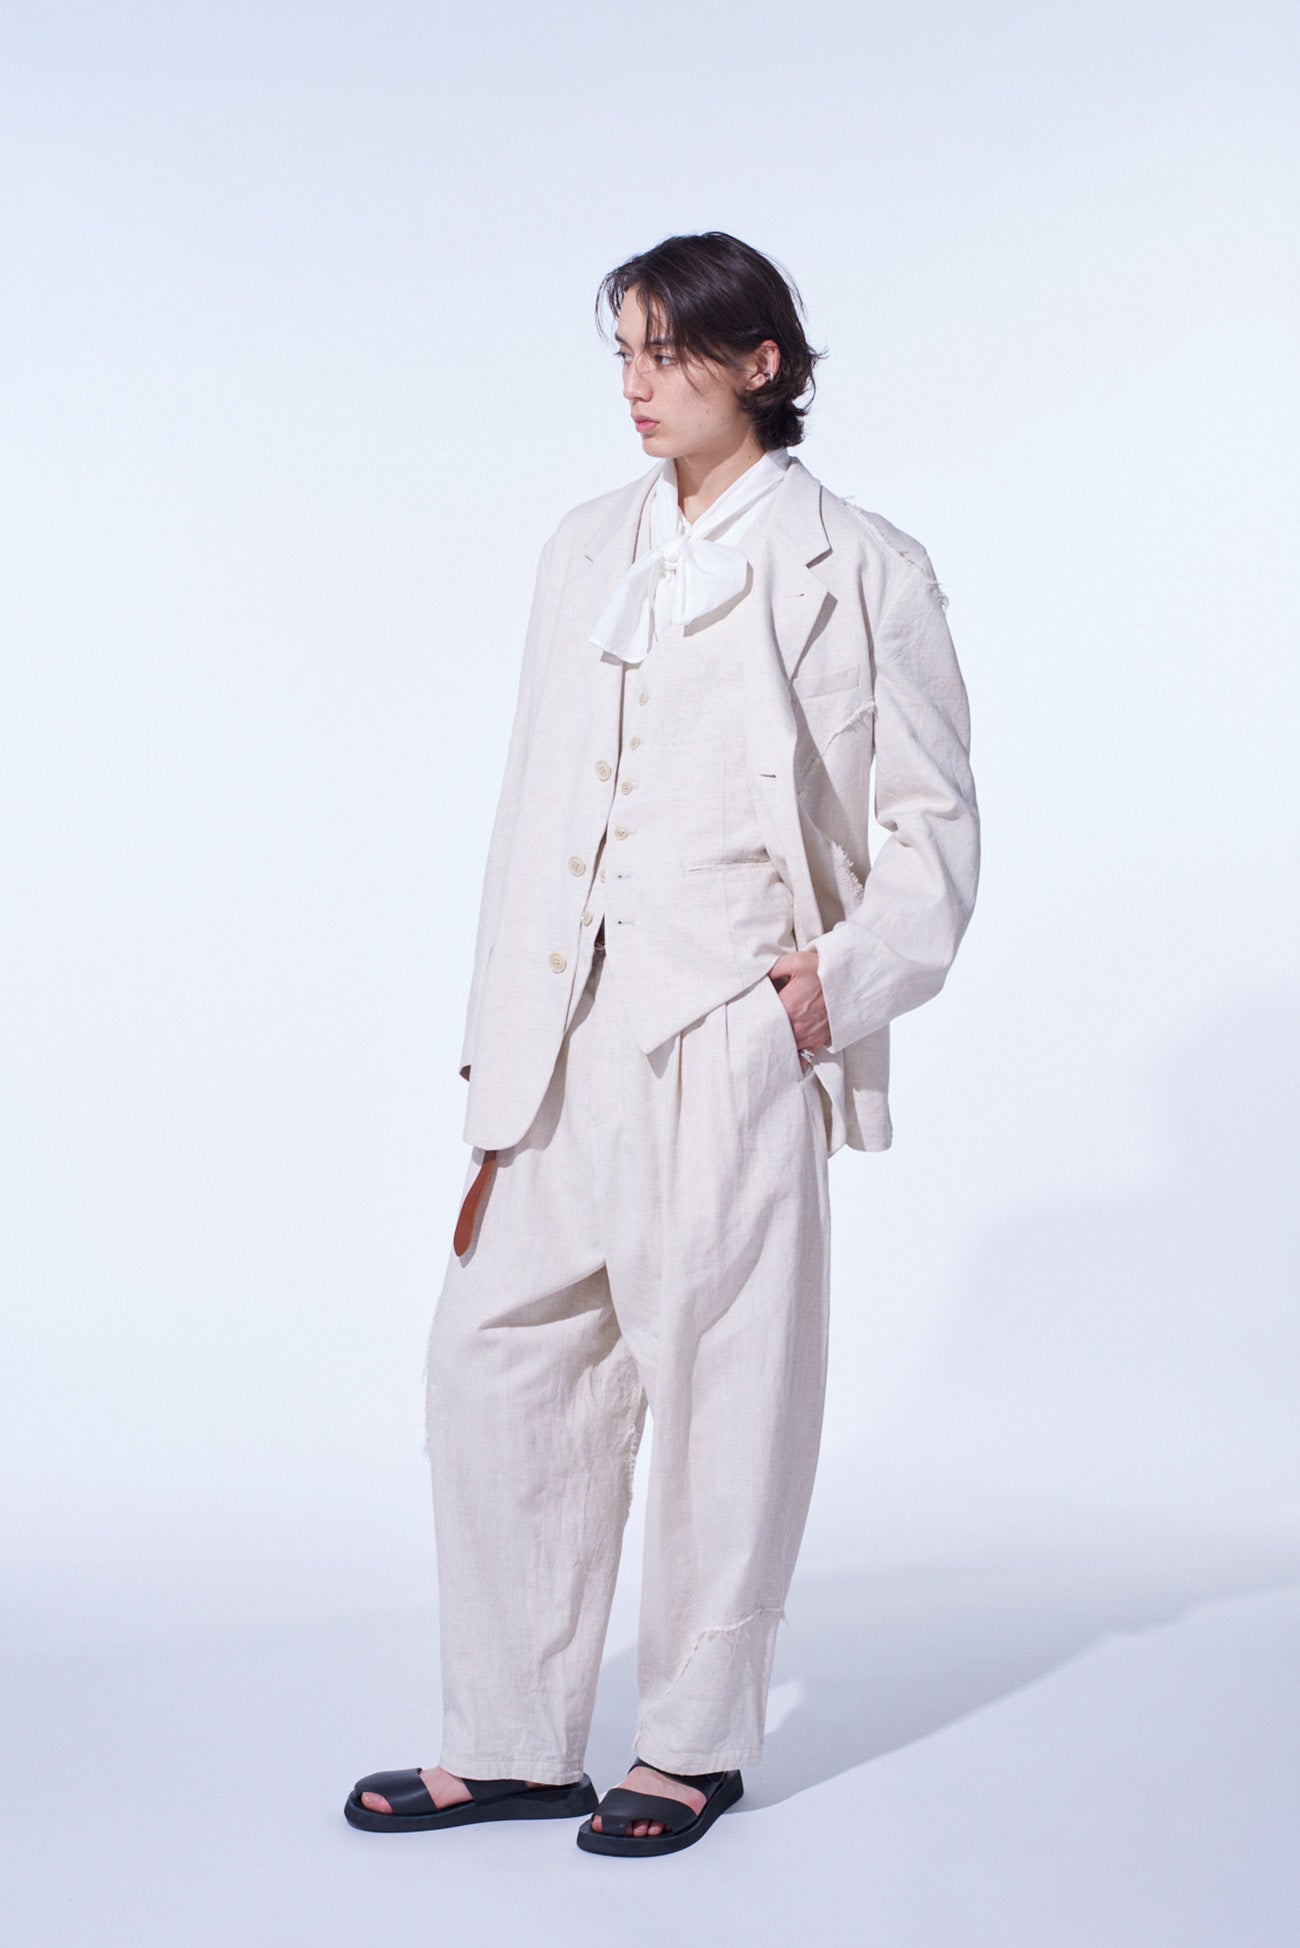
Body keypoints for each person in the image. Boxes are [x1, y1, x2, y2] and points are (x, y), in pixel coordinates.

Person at [344, 230, 980, 1858]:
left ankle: (693, 1746)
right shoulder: (583, 549)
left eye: (666, 353)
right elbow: (531, 810)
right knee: (492, 1362)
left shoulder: (868, 568)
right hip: (559, 1040)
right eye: (621, 353)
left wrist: (817, 1000)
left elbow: (933, 836)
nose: (634, 385)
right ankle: (510, 1740)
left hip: (726, 1032)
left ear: (760, 363)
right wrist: (495, 1062)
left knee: (725, 1395)